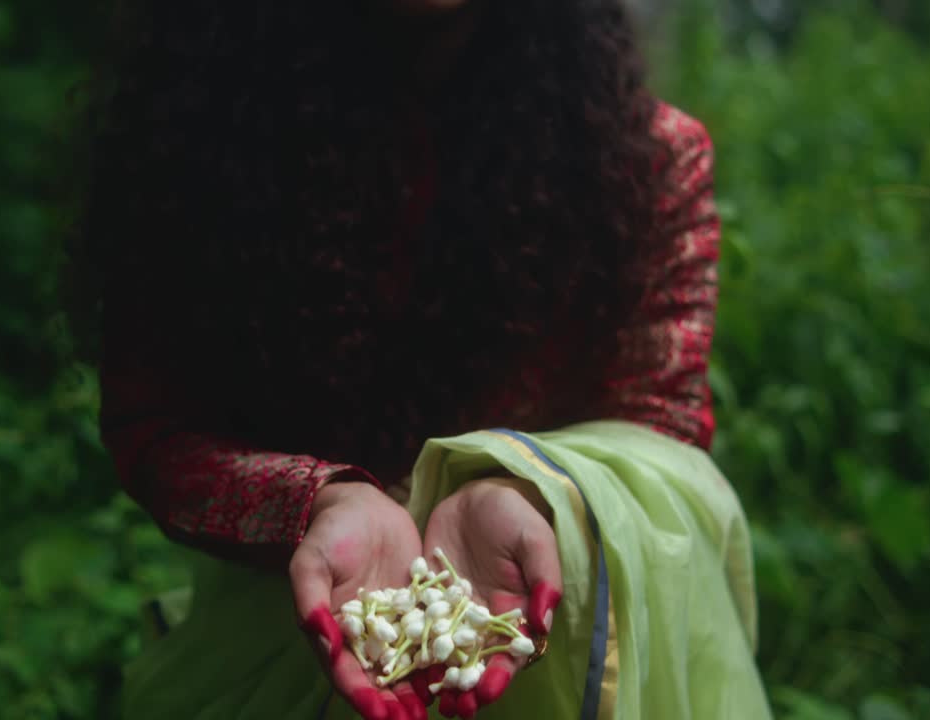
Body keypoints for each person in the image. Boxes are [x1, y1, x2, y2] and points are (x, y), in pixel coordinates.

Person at [74, 0, 771, 718]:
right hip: (283, 650)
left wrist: (531, 492)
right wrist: (314, 501)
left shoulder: (646, 159)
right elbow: (153, 423)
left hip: (545, 655)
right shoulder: (195, 137)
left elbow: (658, 424)